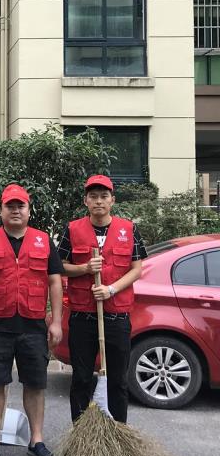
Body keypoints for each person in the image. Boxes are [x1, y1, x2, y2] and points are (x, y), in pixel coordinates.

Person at [0, 184, 63, 456]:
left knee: (35, 383)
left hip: (33, 325)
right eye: (10, 206)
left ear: (29, 210)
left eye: (21, 205)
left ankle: (36, 440)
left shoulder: (44, 241)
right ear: (1, 211)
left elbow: (55, 282)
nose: (16, 210)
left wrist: (56, 321)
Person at [58, 174, 146, 423]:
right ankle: (80, 434)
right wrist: (84, 268)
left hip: (117, 317)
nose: (99, 201)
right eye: (93, 196)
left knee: (118, 380)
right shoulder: (72, 229)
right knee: (81, 379)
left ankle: (118, 433)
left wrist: (111, 290)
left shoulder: (128, 229)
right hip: (83, 317)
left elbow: (137, 269)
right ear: (86, 201)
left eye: (104, 196)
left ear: (112, 200)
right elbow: (60, 266)